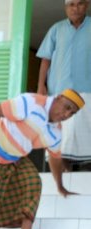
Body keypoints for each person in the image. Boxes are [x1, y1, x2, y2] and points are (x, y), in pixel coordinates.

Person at [0, 89, 84, 229]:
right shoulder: (32, 102)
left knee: (32, 181)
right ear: (58, 98)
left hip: (14, 158)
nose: (67, 114)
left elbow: (55, 158)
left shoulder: (56, 132)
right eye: (67, 107)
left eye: (72, 113)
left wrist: (60, 186)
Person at [37, 0, 91, 184]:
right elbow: (45, 59)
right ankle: (63, 177)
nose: (75, 8)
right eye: (71, 4)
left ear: (88, 5)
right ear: (66, 8)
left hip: (88, 93)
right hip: (59, 93)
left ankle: (85, 179)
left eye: (80, 4)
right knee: (61, 138)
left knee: (86, 138)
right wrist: (40, 86)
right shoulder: (56, 29)